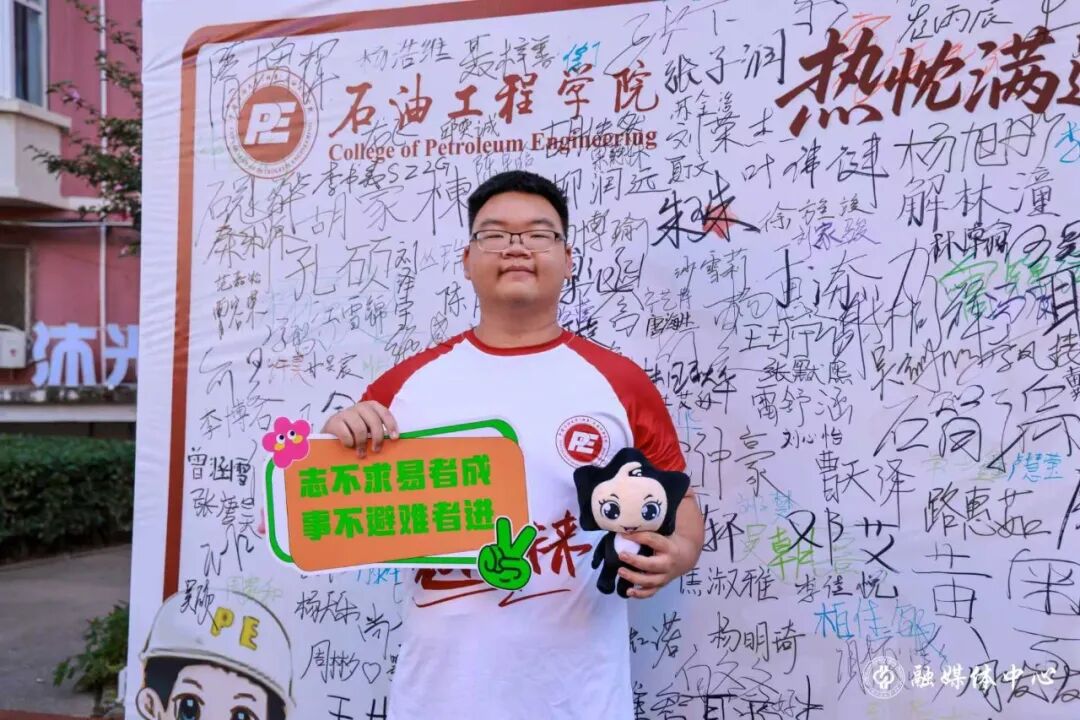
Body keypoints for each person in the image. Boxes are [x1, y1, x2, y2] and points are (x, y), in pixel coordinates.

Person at [322, 170, 704, 719]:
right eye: (495, 234)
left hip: (581, 699)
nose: (517, 247)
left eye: (539, 234)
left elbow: (679, 502)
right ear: (467, 259)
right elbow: (315, 505)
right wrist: (335, 439)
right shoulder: (403, 388)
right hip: (438, 700)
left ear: (568, 259)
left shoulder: (620, 383)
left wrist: (680, 553)